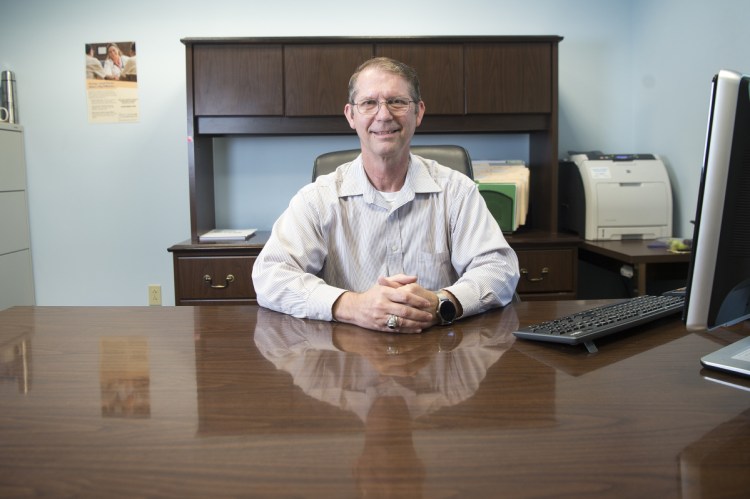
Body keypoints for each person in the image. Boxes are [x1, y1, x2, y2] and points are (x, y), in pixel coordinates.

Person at [252, 57, 520, 333]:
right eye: (369, 103)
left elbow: (499, 269)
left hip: (439, 354)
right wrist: (353, 306)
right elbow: (270, 276)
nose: (383, 115)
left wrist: (442, 305)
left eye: (397, 101)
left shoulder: (457, 192)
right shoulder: (317, 199)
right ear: (350, 115)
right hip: (345, 358)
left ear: (418, 112)